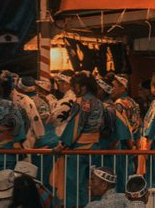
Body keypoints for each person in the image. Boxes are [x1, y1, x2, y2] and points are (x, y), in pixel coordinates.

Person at [57, 71, 106, 207]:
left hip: (78, 149)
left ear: (83, 87)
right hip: (95, 147)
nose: (73, 89)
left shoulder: (81, 102)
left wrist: (62, 145)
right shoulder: (99, 102)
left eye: (75, 86)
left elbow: (75, 125)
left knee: (75, 185)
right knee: (94, 184)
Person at [107, 73, 142, 194]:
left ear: (123, 87)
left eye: (114, 86)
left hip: (121, 144)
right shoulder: (133, 102)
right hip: (132, 145)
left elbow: (120, 129)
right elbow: (138, 124)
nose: (112, 89)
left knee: (119, 178)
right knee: (128, 176)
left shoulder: (118, 104)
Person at [16, 76, 47, 151]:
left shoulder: (18, 100)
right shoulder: (41, 101)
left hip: (22, 137)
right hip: (33, 136)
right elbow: (45, 120)